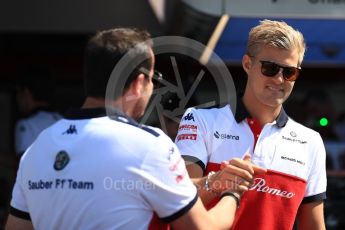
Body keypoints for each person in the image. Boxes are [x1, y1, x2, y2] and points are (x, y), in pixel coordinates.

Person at [6, 28, 265, 230]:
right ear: (139, 83)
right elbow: (202, 226)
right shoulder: (150, 145)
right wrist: (233, 192)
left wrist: (213, 181)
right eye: (152, 78)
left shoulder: (38, 147)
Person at [175, 19, 327, 230]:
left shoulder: (311, 141)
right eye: (270, 68)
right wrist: (218, 182)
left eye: (289, 72)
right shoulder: (200, 120)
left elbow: (314, 225)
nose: (279, 79)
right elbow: (178, 201)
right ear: (248, 64)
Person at [14, 66, 62, 157]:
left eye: (18, 92)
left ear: (26, 92)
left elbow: (23, 164)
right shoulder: (63, 121)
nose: (17, 98)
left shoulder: (26, 124)